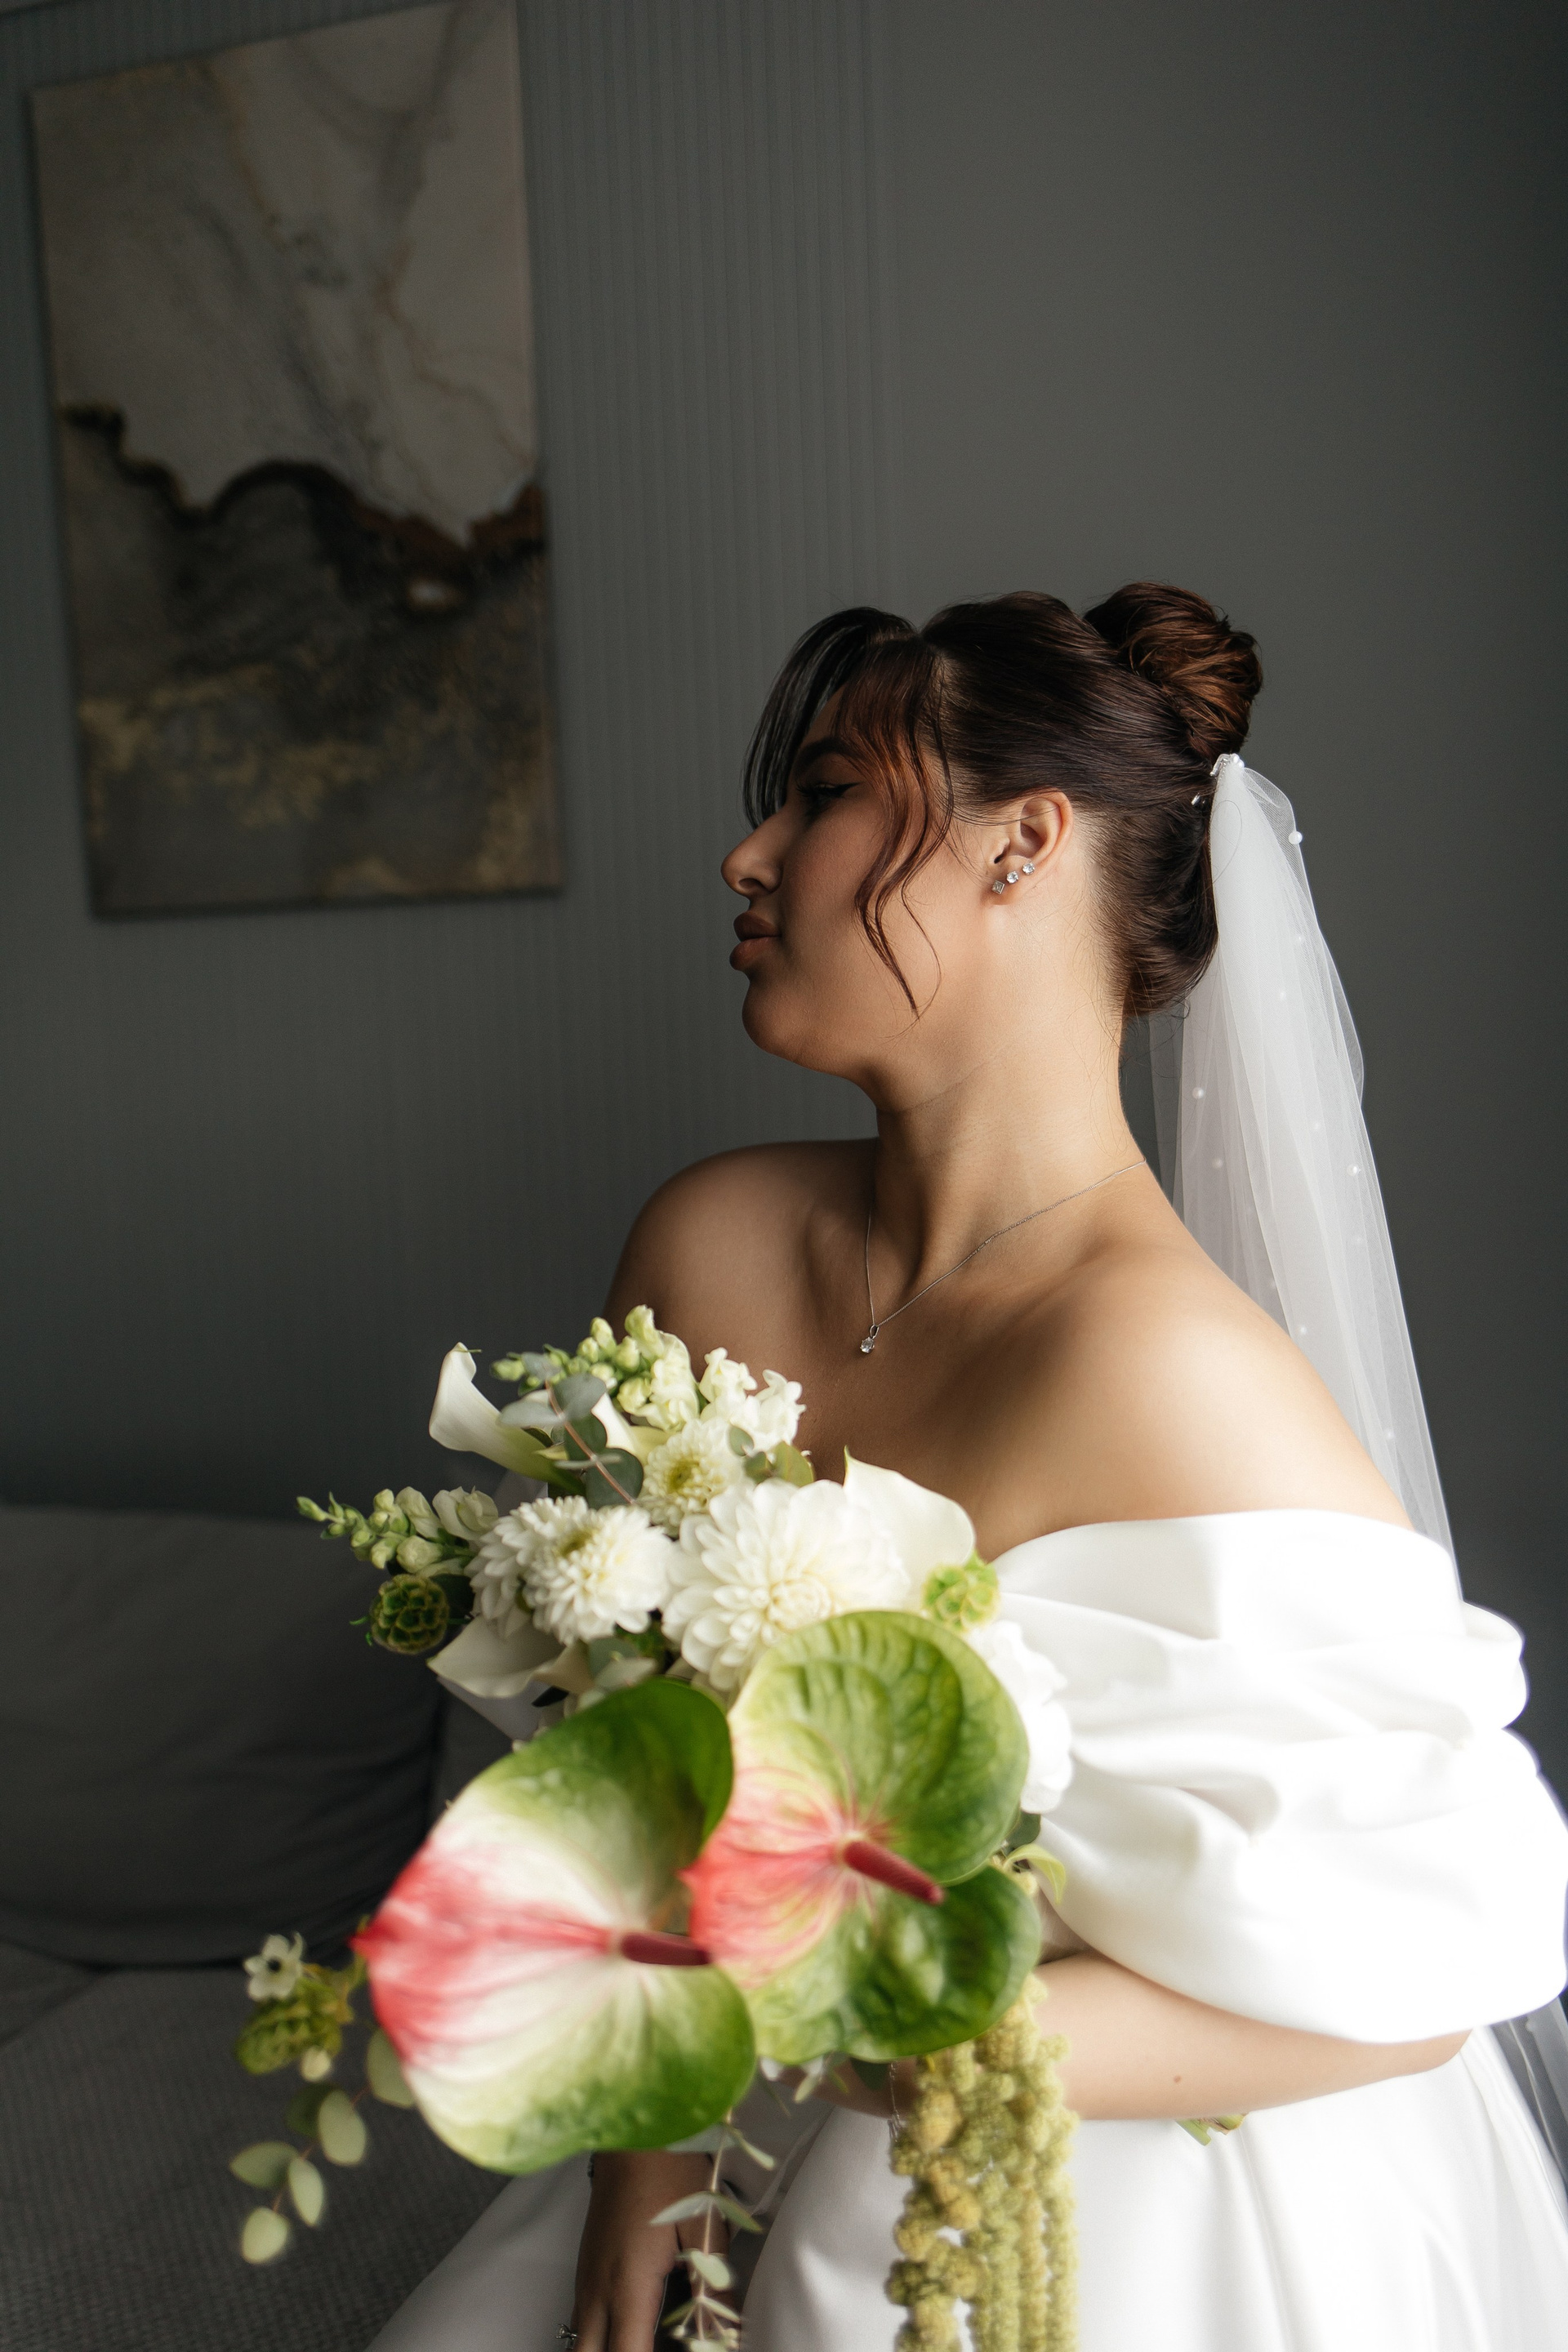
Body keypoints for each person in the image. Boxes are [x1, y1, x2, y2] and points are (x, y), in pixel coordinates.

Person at [372, 587, 1568, 2352]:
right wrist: (650, 2150)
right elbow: (632, 1763)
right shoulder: (709, 1246)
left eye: (824, 794)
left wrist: (895, 2045)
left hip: (1107, 2197)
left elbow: (1429, 1974)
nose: (745, 856)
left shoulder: (1178, 1376)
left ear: (1025, 842)